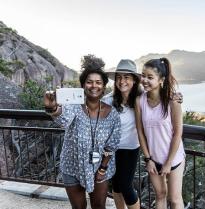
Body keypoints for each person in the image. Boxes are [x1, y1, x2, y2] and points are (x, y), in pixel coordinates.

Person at [44, 54, 121, 209]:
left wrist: (102, 169)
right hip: (72, 165)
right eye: (89, 82)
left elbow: (111, 145)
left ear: (104, 86)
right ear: (83, 85)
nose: (94, 86)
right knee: (78, 207)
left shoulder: (112, 113)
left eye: (98, 82)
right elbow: (63, 119)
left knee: (99, 206)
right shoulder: (74, 105)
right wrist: (52, 107)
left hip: (100, 167)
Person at [135, 58, 185, 209]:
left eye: (150, 77)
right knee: (160, 195)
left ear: (161, 80)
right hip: (153, 159)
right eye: (143, 75)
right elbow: (140, 132)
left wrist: (169, 162)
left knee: (175, 199)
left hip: (174, 159)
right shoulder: (139, 101)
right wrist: (148, 159)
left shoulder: (172, 102)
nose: (144, 80)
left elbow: (177, 134)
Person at [102, 59, 142, 209]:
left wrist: (175, 97)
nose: (122, 81)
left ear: (134, 80)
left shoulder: (142, 98)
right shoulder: (109, 100)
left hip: (130, 148)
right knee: (116, 186)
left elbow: (160, 101)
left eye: (126, 77)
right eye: (119, 77)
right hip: (111, 149)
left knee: (126, 186)